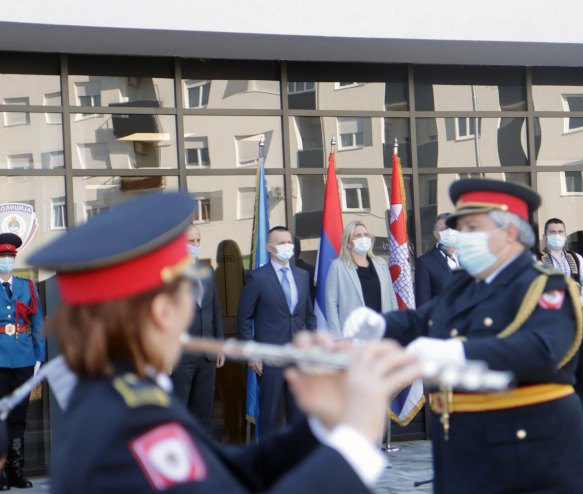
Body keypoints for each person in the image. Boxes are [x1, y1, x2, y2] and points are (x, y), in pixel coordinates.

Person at [28, 191, 422, 494]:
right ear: (163, 312)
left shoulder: (126, 398)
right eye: (187, 293)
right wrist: (355, 437)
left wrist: (323, 422)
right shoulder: (129, 422)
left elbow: (230, 470)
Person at [343, 179, 583, 493]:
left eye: (472, 227)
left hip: (530, 458)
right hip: (464, 455)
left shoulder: (545, 286)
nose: (462, 237)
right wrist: (380, 326)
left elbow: (543, 350)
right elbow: (423, 318)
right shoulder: (465, 285)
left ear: (509, 233)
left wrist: (459, 354)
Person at [237, 226, 317, 437]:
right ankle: (268, 462)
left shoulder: (302, 276)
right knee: (270, 413)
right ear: (269, 247)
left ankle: (295, 462)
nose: (287, 246)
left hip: (299, 356)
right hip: (270, 357)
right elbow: (244, 317)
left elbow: (308, 315)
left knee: (299, 413)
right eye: (281, 243)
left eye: (289, 242)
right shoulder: (257, 277)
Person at [539, 217, 583, 433]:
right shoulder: (536, 258)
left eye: (560, 231)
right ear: (545, 235)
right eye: (552, 231)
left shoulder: (576, 258)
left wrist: (579, 298)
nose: (557, 235)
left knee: (577, 371)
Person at [0, 233, 45, 490]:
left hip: (24, 359)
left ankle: (16, 469)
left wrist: (39, 357)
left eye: (9, 256)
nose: (6, 260)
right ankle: (1, 471)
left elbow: (37, 323)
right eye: (2, 256)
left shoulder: (26, 286)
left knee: (18, 416)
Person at [170, 224, 225, 433]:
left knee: (204, 413)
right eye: (190, 241)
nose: (195, 245)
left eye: (198, 241)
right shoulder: (170, 274)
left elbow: (215, 309)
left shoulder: (207, 270)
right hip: (181, 356)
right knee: (180, 413)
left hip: (207, 354)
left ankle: (205, 459)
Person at [325, 221, 397, 337]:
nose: (363, 238)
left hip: (381, 332)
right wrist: (338, 338)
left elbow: (391, 298)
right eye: (358, 235)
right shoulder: (338, 266)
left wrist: (395, 326)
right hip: (353, 336)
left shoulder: (381, 264)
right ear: (348, 243)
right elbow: (331, 305)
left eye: (366, 235)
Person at [415, 213, 459, 306]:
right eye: (445, 229)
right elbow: (423, 303)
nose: (450, 232)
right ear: (436, 234)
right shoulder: (425, 262)